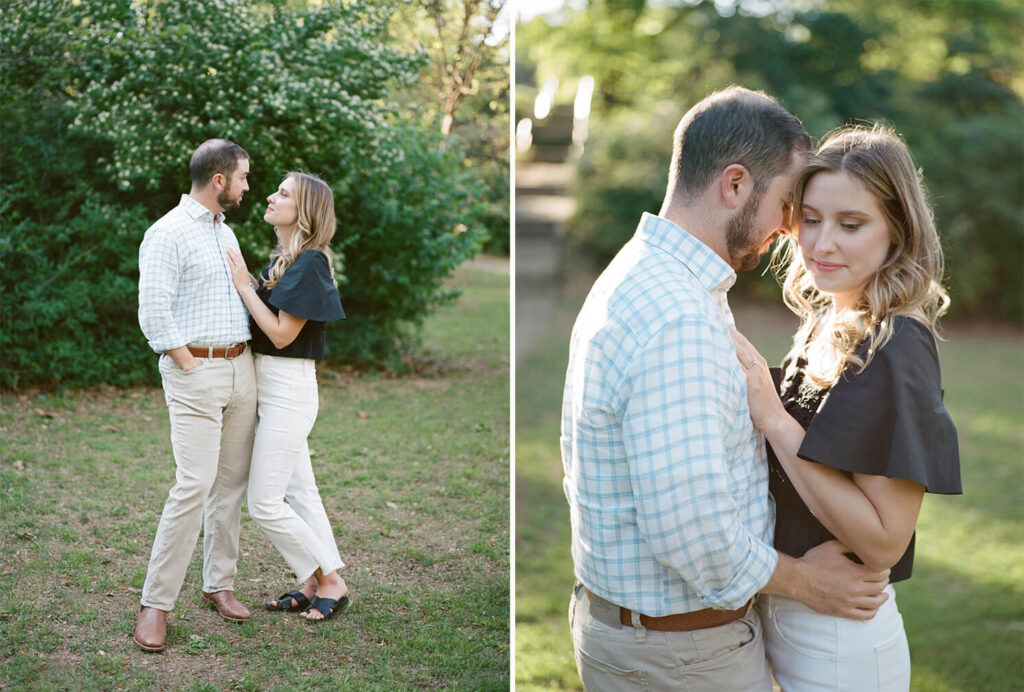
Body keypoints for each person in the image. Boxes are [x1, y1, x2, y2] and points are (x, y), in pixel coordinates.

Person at [561, 86, 895, 691]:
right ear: (735, 185)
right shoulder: (677, 314)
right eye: (789, 204)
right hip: (680, 655)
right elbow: (695, 535)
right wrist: (804, 580)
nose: (793, 229)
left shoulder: (650, 276)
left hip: (659, 642)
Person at [729, 125, 961, 690]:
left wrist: (773, 418)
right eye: (810, 219)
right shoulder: (828, 321)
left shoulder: (897, 345)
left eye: (851, 225)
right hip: (791, 621)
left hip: (840, 644)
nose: (821, 243)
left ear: (896, 232)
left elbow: (884, 542)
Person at [135, 139, 258, 652]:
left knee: (230, 486)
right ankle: (155, 604)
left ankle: (218, 585)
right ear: (219, 181)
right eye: (244, 177)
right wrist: (189, 364)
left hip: (241, 369)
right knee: (194, 484)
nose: (249, 187)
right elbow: (153, 312)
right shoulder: (167, 233)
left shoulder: (225, 233)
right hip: (195, 373)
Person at [225, 171, 349, 622]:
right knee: (302, 494)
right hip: (270, 388)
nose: (272, 197)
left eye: (284, 193)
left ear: (306, 211)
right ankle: (313, 582)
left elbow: (279, 335)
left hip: (289, 391)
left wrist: (244, 286)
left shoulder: (311, 263)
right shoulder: (284, 259)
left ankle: (330, 578)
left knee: (264, 502)